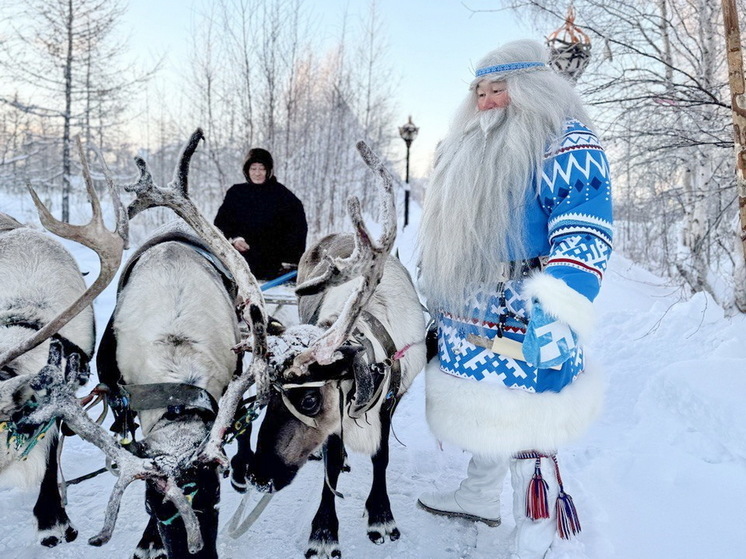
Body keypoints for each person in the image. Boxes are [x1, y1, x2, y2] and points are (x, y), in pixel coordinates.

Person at [416, 39, 613, 559]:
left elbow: (584, 231)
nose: (484, 101)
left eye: (498, 90)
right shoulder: (462, 147)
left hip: (528, 313)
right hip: (470, 312)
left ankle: (537, 537)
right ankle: (479, 495)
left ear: (532, 90)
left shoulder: (565, 143)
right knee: (487, 413)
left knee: (527, 425)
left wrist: (560, 306)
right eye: (478, 91)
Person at [214, 147, 308, 281]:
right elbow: (222, 222)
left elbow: (298, 228)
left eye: (262, 168)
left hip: (274, 264)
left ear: (268, 171)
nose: (257, 173)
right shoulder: (236, 193)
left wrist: (289, 258)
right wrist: (236, 238)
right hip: (241, 261)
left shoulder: (283, 196)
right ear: (247, 170)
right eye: (253, 168)